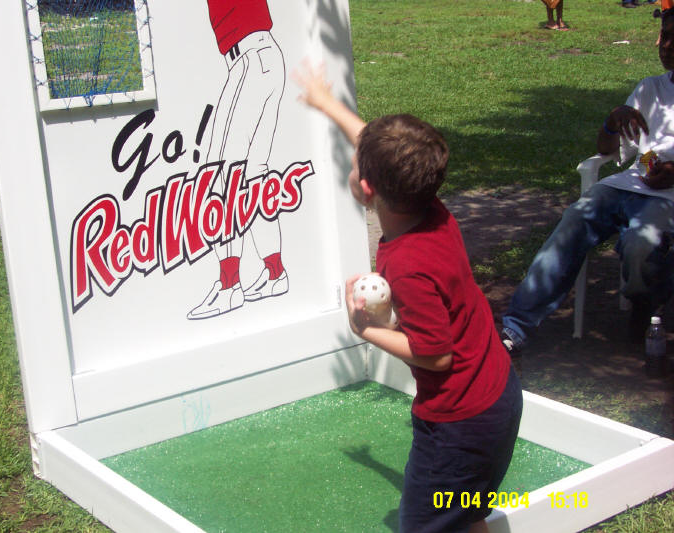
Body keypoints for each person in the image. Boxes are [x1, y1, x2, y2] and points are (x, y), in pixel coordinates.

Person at [294, 64, 522, 533]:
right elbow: (372, 144)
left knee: (424, 525)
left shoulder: (408, 263)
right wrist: (327, 102)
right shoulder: (430, 206)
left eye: (355, 164)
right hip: (497, 393)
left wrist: (366, 329)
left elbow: (435, 355)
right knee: (463, 515)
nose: (352, 164)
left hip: (459, 424)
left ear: (366, 189)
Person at [501, 9, 674, 354]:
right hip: (628, 184)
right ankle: (515, 328)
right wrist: (611, 123)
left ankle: (644, 304)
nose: (665, 45)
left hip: (668, 197)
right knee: (574, 221)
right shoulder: (650, 87)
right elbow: (608, 150)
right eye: (663, 35)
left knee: (639, 247)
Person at [187, 0, 289, 320]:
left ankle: (229, 285)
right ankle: (274, 272)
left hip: (248, 59)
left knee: (222, 175)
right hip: (266, 55)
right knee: (254, 173)